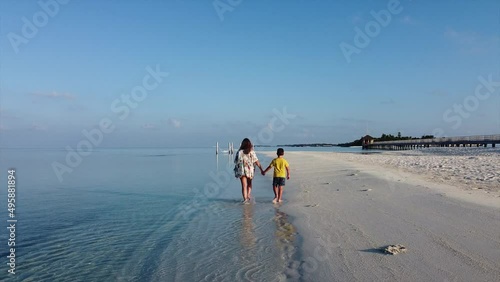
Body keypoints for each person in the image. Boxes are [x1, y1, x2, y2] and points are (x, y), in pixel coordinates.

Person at [234, 138, 264, 203]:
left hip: (241, 170)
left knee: (244, 186)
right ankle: (248, 195)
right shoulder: (252, 152)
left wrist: (236, 171)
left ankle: (245, 199)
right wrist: (261, 170)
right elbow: (257, 162)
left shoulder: (239, 152)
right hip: (250, 170)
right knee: (249, 183)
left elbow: (236, 162)